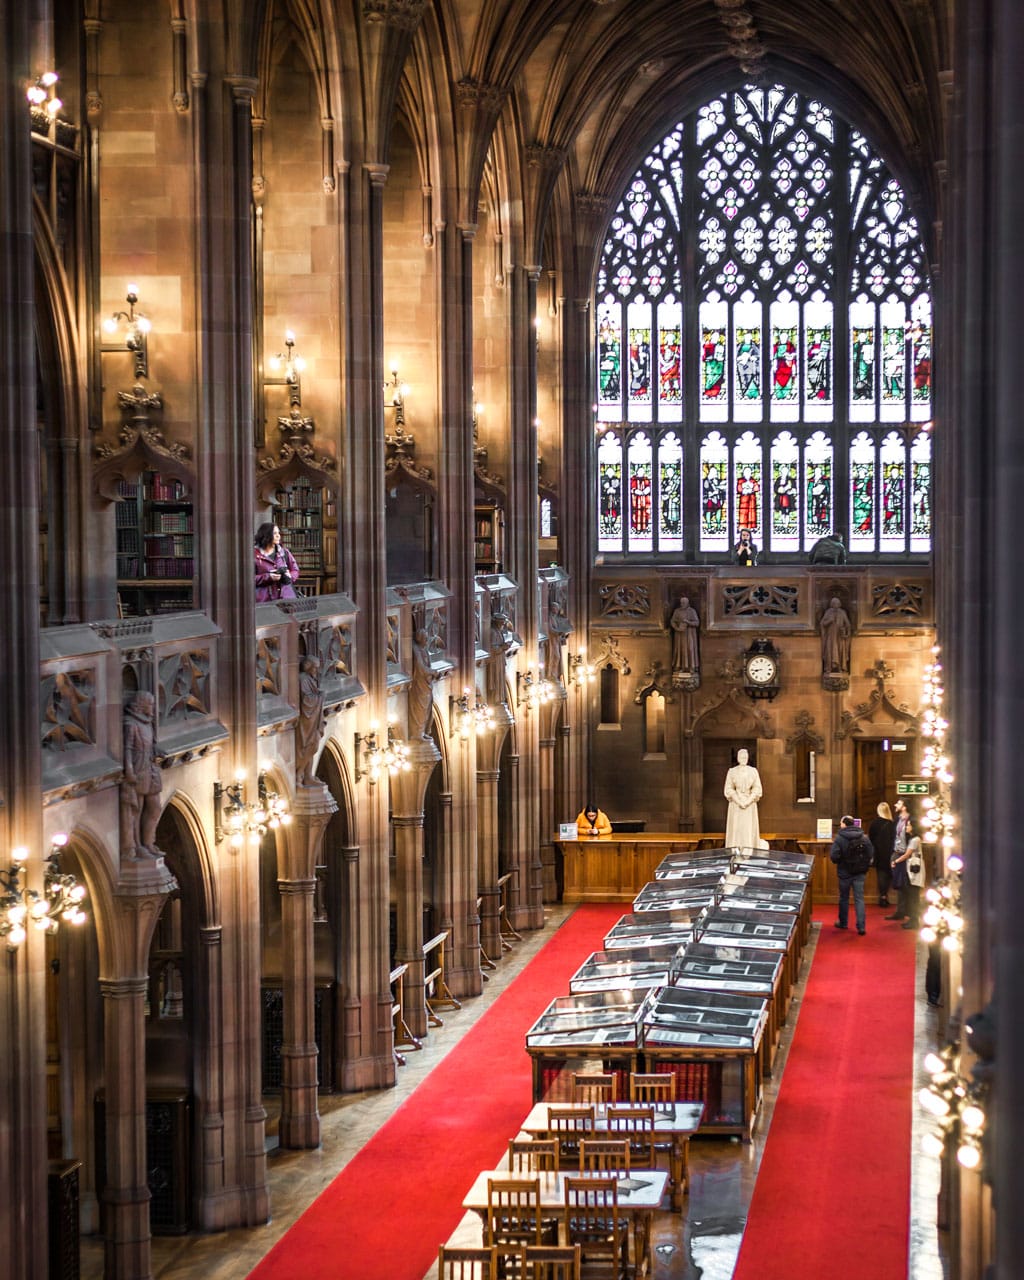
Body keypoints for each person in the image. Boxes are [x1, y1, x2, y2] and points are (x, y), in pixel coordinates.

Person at [120, 691, 163, 859]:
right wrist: (129, 770)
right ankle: (137, 846)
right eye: (150, 704)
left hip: (151, 769)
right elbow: (127, 748)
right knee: (135, 810)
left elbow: (150, 745)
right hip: (138, 770)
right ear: (141, 704)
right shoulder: (130, 724)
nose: (152, 708)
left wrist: (157, 751)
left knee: (155, 807)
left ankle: (149, 842)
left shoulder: (147, 723)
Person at [830, 815, 874, 935]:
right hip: (859, 872)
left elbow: (833, 856)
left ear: (844, 824)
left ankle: (843, 922)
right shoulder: (864, 837)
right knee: (859, 899)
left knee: (844, 898)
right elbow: (870, 853)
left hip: (844, 872)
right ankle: (861, 926)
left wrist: (840, 861)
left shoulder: (840, 838)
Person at [724, 748, 763, 851]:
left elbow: (757, 788)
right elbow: (728, 788)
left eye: (745, 757)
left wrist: (748, 800)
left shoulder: (753, 771)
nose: (743, 759)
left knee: (748, 828)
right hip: (736, 804)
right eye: (741, 757)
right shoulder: (732, 771)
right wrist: (738, 800)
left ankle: (748, 850)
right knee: (736, 828)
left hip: (749, 804)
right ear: (738, 758)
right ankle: (735, 850)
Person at [295, 656, 326, 785]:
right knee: (310, 745)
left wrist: (319, 695)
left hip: (314, 718)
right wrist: (319, 696)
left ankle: (307, 776)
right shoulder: (302, 679)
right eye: (314, 667)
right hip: (307, 719)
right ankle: (300, 773)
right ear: (307, 666)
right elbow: (306, 700)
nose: (315, 670)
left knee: (314, 744)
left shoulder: (310, 679)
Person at [891, 819, 925, 929]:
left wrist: (896, 861)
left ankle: (914, 920)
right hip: (912, 869)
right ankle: (912, 919)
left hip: (914, 871)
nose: (906, 827)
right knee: (912, 895)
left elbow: (907, 854)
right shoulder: (914, 839)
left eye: (909, 825)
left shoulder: (915, 840)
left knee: (914, 896)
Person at [254, 521, 300, 602]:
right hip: (265, 600)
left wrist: (290, 576)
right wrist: (268, 577)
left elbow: (295, 570)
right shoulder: (254, 555)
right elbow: (248, 579)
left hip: (287, 599)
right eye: (275, 533)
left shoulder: (284, 552)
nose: (278, 536)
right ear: (266, 535)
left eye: (278, 533)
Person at [868, 801, 896, 907]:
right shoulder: (892, 824)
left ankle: (882, 896)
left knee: (881, 874)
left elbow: (871, 837)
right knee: (888, 874)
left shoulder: (875, 823)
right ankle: (886, 895)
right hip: (890, 852)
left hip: (879, 852)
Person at [886, 799, 910, 919]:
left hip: (906, 854)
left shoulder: (910, 821)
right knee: (898, 883)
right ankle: (900, 911)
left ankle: (906, 911)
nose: (895, 805)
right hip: (896, 852)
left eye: (899, 803)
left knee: (905, 883)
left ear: (904, 807)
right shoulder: (897, 820)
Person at [819, 596, 852, 674]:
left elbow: (848, 624)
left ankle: (840, 667)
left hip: (840, 636)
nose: (835, 605)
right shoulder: (828, 612)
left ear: (839, 604)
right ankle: (828, 667)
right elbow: (822, 623)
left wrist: (846, 633)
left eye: (837, 603)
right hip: (830, 635)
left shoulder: (842, 612)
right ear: (832, 604)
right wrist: (829, 621)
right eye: (834, 603)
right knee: (829, 650)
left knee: (840, 650)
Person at [669, 595, 700, 674]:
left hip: (689, 634)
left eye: (684, 602)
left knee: (690, 649)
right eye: (681, 602)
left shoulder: (692, 611)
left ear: (687, 603)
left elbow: (697, 623)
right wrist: (676, 627)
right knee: (680, 650)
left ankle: (691, 667)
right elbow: (672, 621)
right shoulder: (677, 611)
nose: (682, 604)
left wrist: (688, 622)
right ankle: (680, 666)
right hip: (679, 634)